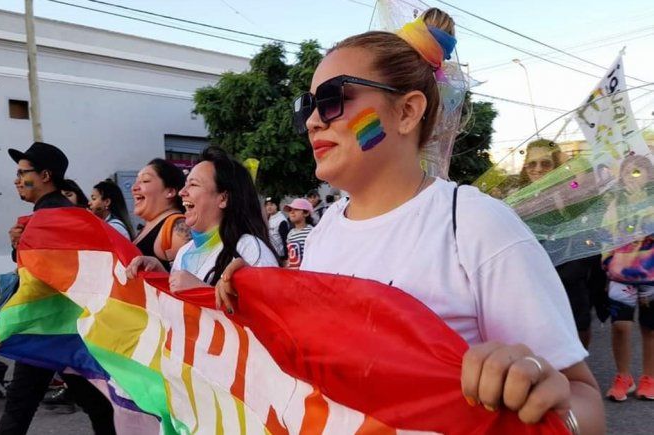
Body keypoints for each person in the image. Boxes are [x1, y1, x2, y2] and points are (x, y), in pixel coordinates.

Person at [217, 8, 603, 433]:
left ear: (406, 112)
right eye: (307, 106)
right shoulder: (325, 230)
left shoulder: (474, 224)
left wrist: (543, 399)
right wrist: (254, 297)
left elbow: (583, 399)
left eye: (333, 99)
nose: (311, 122)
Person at [0, 141, 116, 435]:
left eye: (23, 173)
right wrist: (21, 246)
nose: (17, 180)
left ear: (45, 175)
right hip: (75, 333)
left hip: (44, 332)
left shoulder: (48, 220)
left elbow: (36, 287)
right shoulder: (73, 217)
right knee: (99, 408)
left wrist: (2, 329)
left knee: (18, 412)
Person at [127, 147, 278, 297]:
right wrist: (161, 276)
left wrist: (203, 292)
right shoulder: (184, 252)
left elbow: (271, 312)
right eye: (185, 184)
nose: (182, 192)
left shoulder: (250, 248)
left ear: (223, 198)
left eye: (193, 184)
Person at [519, 139, 607, 348]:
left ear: (556, 167)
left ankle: (577, 373)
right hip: (532, 277)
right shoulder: (517, 198)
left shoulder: (574, 192)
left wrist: (564, 208)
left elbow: (590, 229)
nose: (538, 169)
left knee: (578, 325)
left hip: (569, 274)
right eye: (532, 163)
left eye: (545, 163)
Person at [602, 154, 654, 401]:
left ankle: (649, 377)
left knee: (650, 328)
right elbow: (604, 235)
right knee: (621, 327)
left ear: (649, 176)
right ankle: (623, 376)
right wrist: (607, 263)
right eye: (627, 173)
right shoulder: (614, 204)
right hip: (620, 276)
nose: (632, 177)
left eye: (638, 172)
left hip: (651, 275)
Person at [129, 158, 190, 271]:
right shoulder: (149, 226)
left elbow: (192, 282)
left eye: (145, 181)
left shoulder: (176, 228)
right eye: (136, 181)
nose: (134, 188)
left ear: (170, 191)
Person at [283, 198, 314, 269]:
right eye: (290, 210)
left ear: (306, 213)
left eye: (296, 209)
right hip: (294, 273)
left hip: (307, 272)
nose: (292, 212)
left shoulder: (312, 232)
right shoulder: (290, 234)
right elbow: (290, 254)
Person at [265, 196, 289, 260]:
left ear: (276, 206)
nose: (269, 207)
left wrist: (286, 258)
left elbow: (285, 240)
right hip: (271, 254)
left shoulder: (281, 220)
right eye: (267, 205)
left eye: (271, 204)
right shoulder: (268, 218)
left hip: (280, 256)